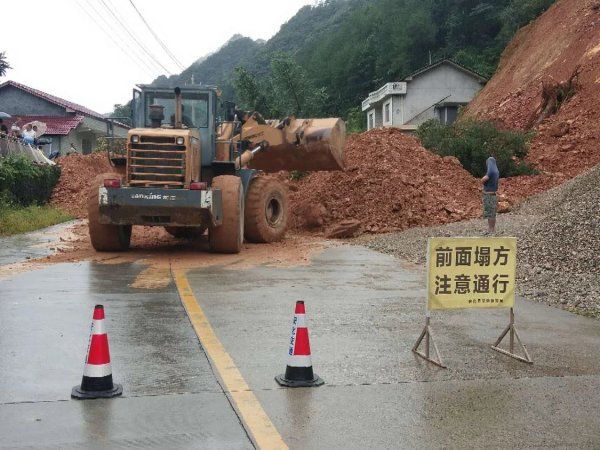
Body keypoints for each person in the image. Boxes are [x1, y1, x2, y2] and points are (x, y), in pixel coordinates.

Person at [481, 156, 499, 235]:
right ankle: (492, 228)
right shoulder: (496, 171)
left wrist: (482, 180)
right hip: (493, 194)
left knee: (490, 213)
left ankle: (491, 229)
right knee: (492, 213)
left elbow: (484, 179)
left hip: (489, 195)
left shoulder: (491, 172)